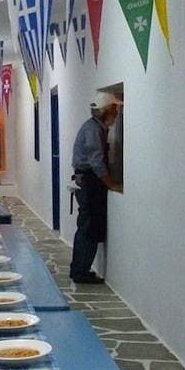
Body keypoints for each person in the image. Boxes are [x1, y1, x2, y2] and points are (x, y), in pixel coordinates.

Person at [69, 91, 123, 284]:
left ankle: (80, 269)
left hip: (89, 182)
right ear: (107, 110)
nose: (117, 115)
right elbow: (96, 161)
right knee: (87, 228)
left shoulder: (96, 128)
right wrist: (112, 184)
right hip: (90, 184)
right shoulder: (94, 130)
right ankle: (80, 272)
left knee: (87, 227)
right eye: (115, 110)